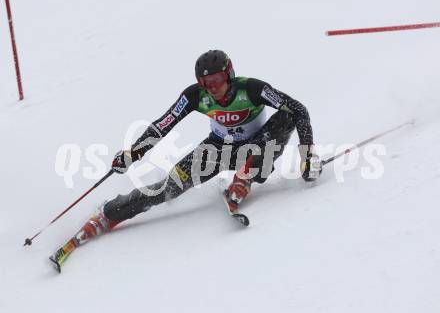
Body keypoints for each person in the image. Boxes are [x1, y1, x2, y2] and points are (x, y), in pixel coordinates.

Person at [49, 50, 322, 270]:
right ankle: (107, 215)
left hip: (258, 147)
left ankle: (244, 178)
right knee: (167, 187)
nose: (212, 89)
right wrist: (133, 153)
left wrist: (307, 155)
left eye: (216, 81)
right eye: (205, 83)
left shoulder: (252, 89)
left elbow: (299, 109)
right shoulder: (195, 96)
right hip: (216, 150)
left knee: (285, 117)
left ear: (229, 74)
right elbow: (162, 126)